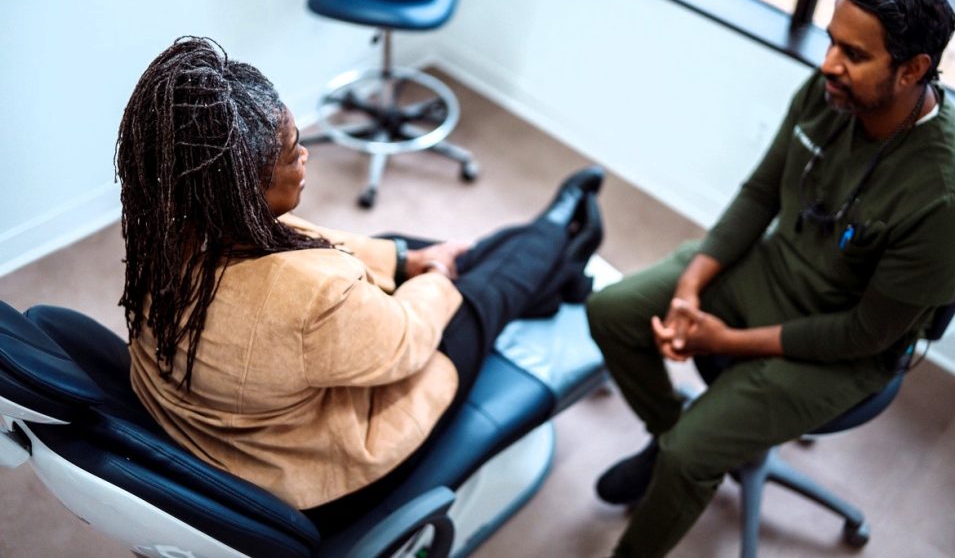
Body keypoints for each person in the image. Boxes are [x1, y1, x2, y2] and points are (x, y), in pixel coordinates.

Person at [115, 36, 604, 526]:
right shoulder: (313, 295)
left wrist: (405, 260)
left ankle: (555, 270)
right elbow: (407, 341)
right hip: (324, 474)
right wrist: (436, 276)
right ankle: (564, 229)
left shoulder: (167, 231)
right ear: (244, 190)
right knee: (482, 296)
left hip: (236, 431)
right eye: (291, 152)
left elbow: (300, 240)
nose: (305, 155)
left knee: (395, 243)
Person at [587, 0, 955, 557]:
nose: (829, 62)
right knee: (612, 310)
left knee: (689, 457)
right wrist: (690, 291)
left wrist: (723, 341)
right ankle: (668, 429)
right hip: (772, 268)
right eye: (831, 40)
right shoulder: (829, 91)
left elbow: (863, 334)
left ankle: (673, 461)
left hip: (844, 347)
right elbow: (759, 194)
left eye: (853, 53)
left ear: (912, 70)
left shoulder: (948, 197)